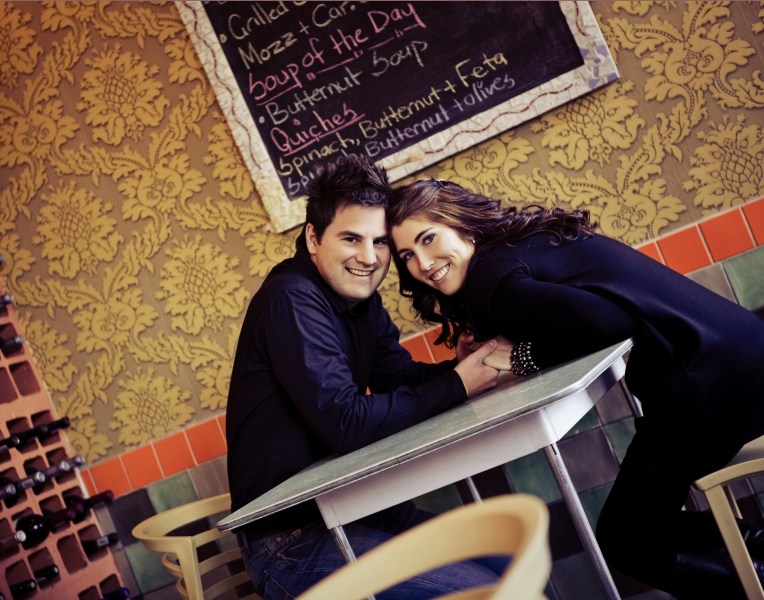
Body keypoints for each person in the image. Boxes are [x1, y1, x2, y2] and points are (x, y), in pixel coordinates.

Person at [388, 178, 764, 599]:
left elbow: (608, 323)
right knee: (641, 527)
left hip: (707, 386)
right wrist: (495, 349)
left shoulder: (488, 280)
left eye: (428, 238)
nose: (422, 263)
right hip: (736, 356)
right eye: (407, 255)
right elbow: (574, 318)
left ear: (464, 224)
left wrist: (520, 357)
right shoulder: (516, 246)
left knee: (626, 538)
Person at [226, 156, 504, 600]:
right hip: (289, 544)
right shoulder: (292, 299)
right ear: (313, 238)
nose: (369, 258)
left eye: (380, 242)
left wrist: (461, 369)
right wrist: (457, 384)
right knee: (487, 590)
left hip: (357, 511)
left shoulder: (359, 301)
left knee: (501, 558)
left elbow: (397, 376)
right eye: (351, 238)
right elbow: (347, 423)